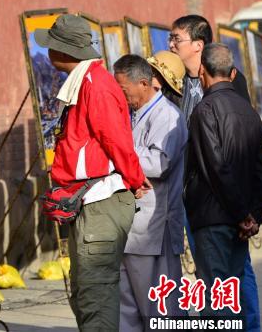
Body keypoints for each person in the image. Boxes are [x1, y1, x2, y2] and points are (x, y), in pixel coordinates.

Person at [34, 14, 147, 331]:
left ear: (64, 50)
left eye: (51, 46)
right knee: (86, 293)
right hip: (92, 202)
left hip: (101, 203)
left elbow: (117, 142)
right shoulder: (87, 82)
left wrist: (134, 179)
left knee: (95, 295)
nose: (47, 52)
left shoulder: (95, 86)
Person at [170, 15, 261, 331]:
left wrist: (246, 212)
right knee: (209, 272)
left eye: (176, 38)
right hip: (191, 191)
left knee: (232, 274)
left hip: (221, 197)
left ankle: (249, 326)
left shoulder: (228, 83)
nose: (172, 44)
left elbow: (237, 150)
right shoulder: (175, 81)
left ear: (198, 45)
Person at [184, 43, 262, 320]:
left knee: (216, 302)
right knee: (231, 297)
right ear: (232, 73)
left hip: (215, 219)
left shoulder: (204, 110)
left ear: (202, 72)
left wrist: (243, 214)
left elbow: (215, 168)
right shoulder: (249, 112)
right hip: (240, 222)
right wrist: (254, 215)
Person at [114, 55, 187, 331]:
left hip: (154, 229)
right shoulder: (132, 114)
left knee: (159, 311)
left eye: (123, 89)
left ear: (144, 83)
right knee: (127, 308)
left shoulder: (168, 116)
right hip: (131, 226)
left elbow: (159, 163)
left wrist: (119, 153)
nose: (121, 95)